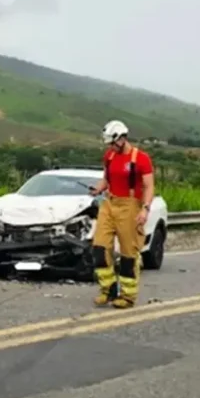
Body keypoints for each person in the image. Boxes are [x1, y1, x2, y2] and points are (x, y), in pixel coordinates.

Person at [88, 120, 156, 309]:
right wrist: (97, 189)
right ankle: (108, 289)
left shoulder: (141, 158)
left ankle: (127, 296)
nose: (110, 147)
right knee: (99, 248)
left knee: (128, 253)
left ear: (121, 138)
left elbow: (149, 186)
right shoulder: (109, 156)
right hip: (110, 203)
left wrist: (145, 208)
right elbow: (106, 179)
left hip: (130, 205)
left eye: (112, 143)